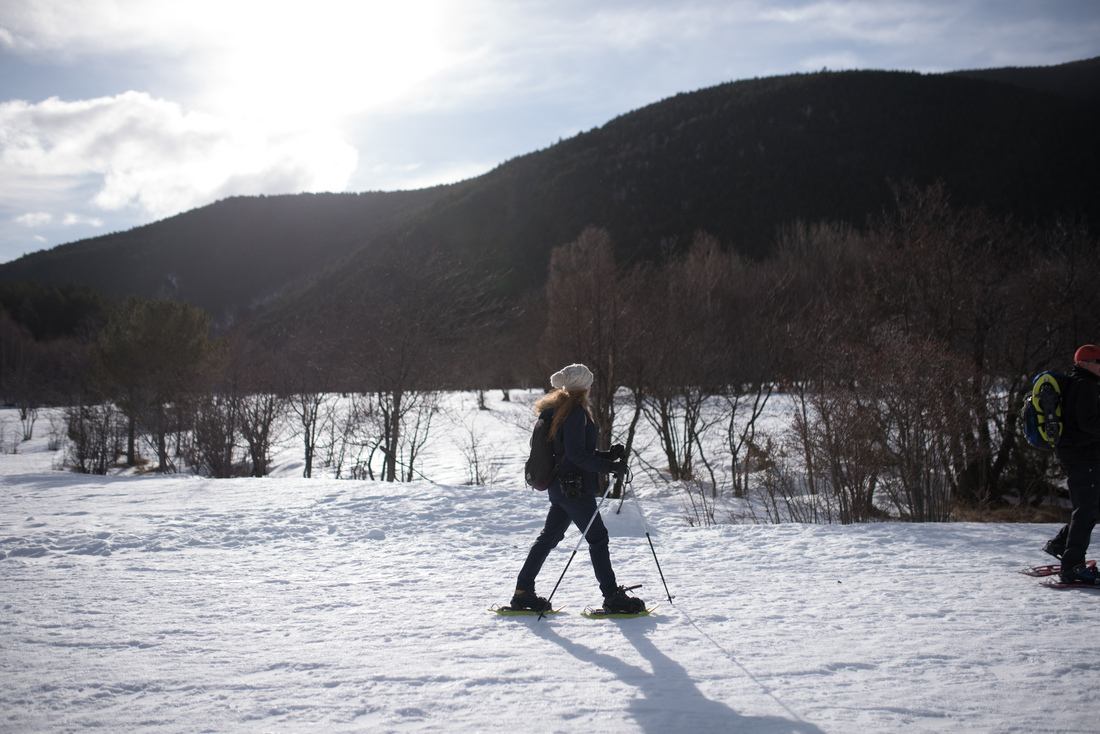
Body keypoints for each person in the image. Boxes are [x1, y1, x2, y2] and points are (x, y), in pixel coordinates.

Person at [509, 363, 646, 613]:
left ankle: (523, 591)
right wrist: (609, 467)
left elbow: (571, 453)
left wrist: (606, 457)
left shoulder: (557, 409)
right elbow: (576, 455)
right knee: (597, 538)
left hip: (560, 488)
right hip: (575, 489)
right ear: (585, 386)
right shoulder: (575, 412)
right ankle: (612, 596)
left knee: (548, 538)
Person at [1042, 344, 1100, 584]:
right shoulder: (1084, 386)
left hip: (1079, 455)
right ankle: (1072, 566)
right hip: (1082, 456)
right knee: (1086, 510)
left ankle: (1060, 545)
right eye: (1098, 361)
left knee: (1092, 508)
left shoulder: (1080, 384)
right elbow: (1088, 423)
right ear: (1085, 363)